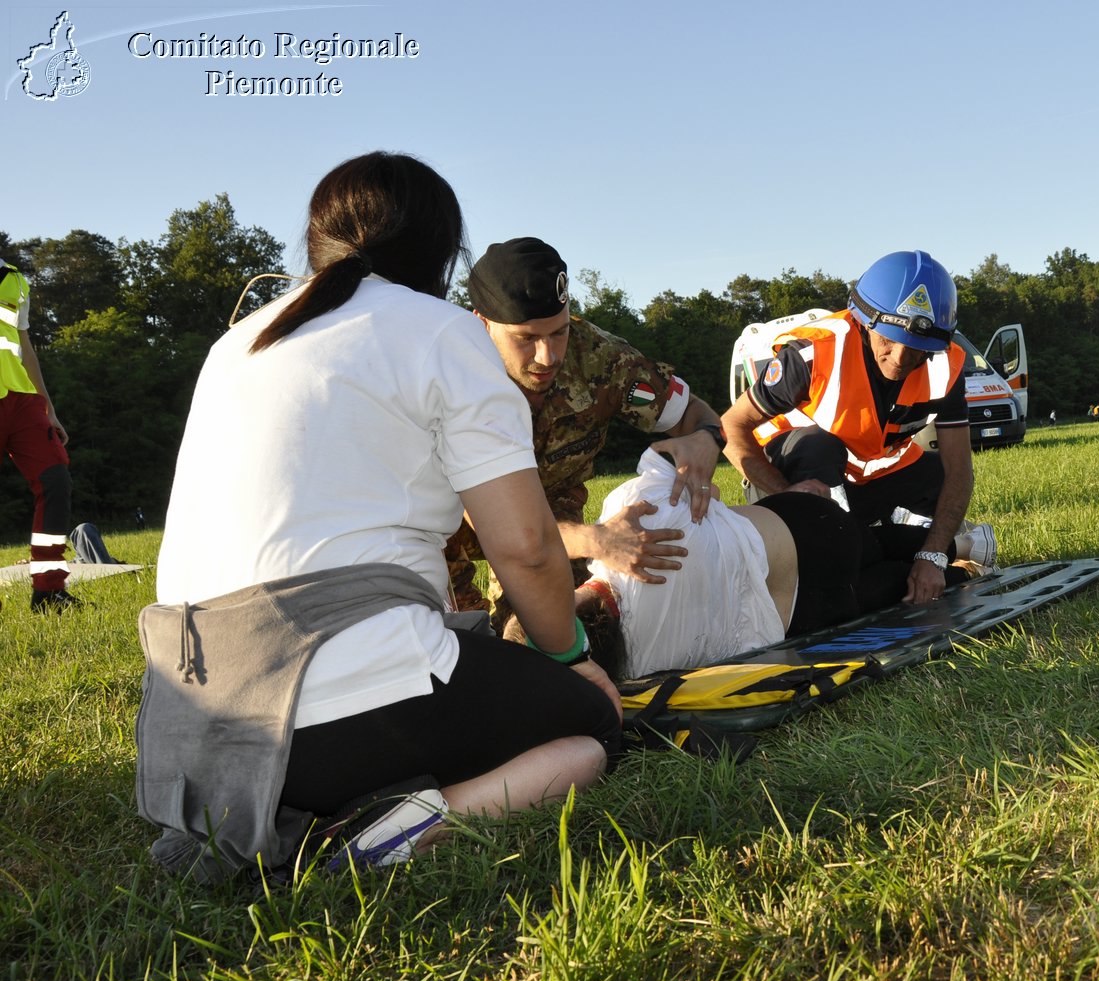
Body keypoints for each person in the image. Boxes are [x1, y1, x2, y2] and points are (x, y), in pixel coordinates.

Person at [136, 152, 621, 881]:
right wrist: (570, 658)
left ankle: (334, 811)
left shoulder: (236, 341)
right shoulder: (439, 329)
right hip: (341, 705)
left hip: (204, 729)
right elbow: (524, 546)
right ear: (441, 252)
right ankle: (379, 834)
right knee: (590, 734)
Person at [443, 237, 726, 634]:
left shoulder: (599, 356)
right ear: (481, 323)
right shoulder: (450, 374)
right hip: (446, 528)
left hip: (554, 515)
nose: (548, 356)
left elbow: (693, 412)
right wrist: (599, 540)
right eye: (526, 339)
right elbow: (502, 528)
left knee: (554, 632)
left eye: (558, 333)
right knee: (462, 644)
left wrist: (707, 438)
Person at [578, 449, 997, 679]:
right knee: (872, 542)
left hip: (802, 621)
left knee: (884, 589)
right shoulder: (630, 512)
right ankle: (963, 544)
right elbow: (707, 486)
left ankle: (961, 573)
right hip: (807, 536)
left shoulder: (637, 668)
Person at [721, 250, 978, 606]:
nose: (900, 359)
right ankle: (839, 561)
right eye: (888, 339)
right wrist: (786, 491)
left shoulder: (947, 368)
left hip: (860, 481)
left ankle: (921, 558)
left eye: (917, 348)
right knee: (819, 449)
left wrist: (932, 555)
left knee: (934, 478)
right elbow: (731, 427)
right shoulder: (813, 353)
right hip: (791, 474)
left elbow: (959, 470)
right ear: (864, 322)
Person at [0, 257, 79, 613]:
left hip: (21, 401)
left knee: (55, 479)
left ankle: (49, 591)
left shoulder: (15, 279)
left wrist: (48, 406)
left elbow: (23, 345)